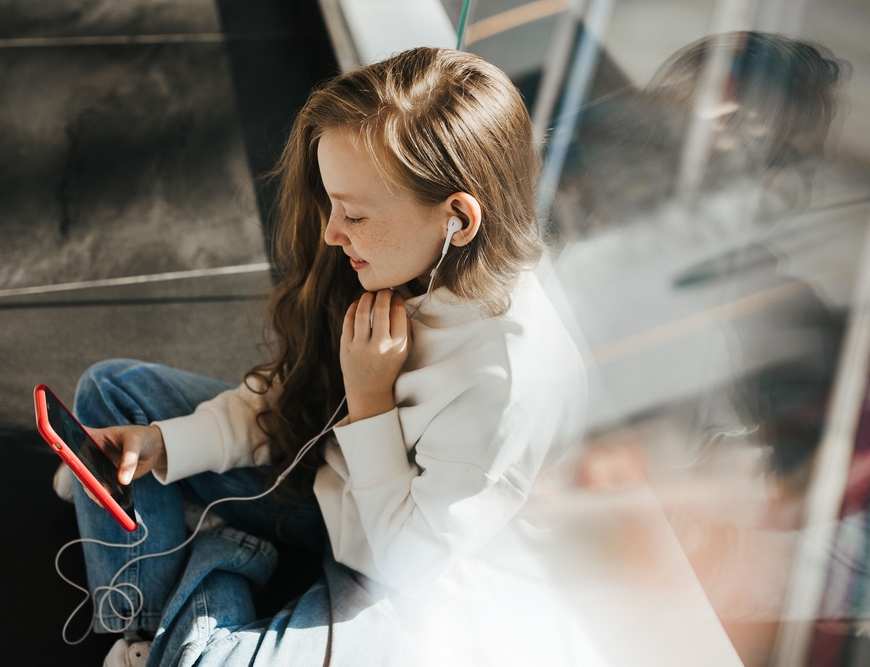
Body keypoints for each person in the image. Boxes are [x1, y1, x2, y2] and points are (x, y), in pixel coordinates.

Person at [60, 47, 586, 667]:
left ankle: (220, 552)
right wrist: (167, 443)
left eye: (354, 213)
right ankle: (145, 630)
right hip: (324, 491)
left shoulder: (508, 378)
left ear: (458, 220)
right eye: (333, 203)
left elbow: (407, 560)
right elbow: (297, 399)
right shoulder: (409, 262)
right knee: (112, 391)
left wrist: (368, 399)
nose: (333, 233)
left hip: (401, 582)